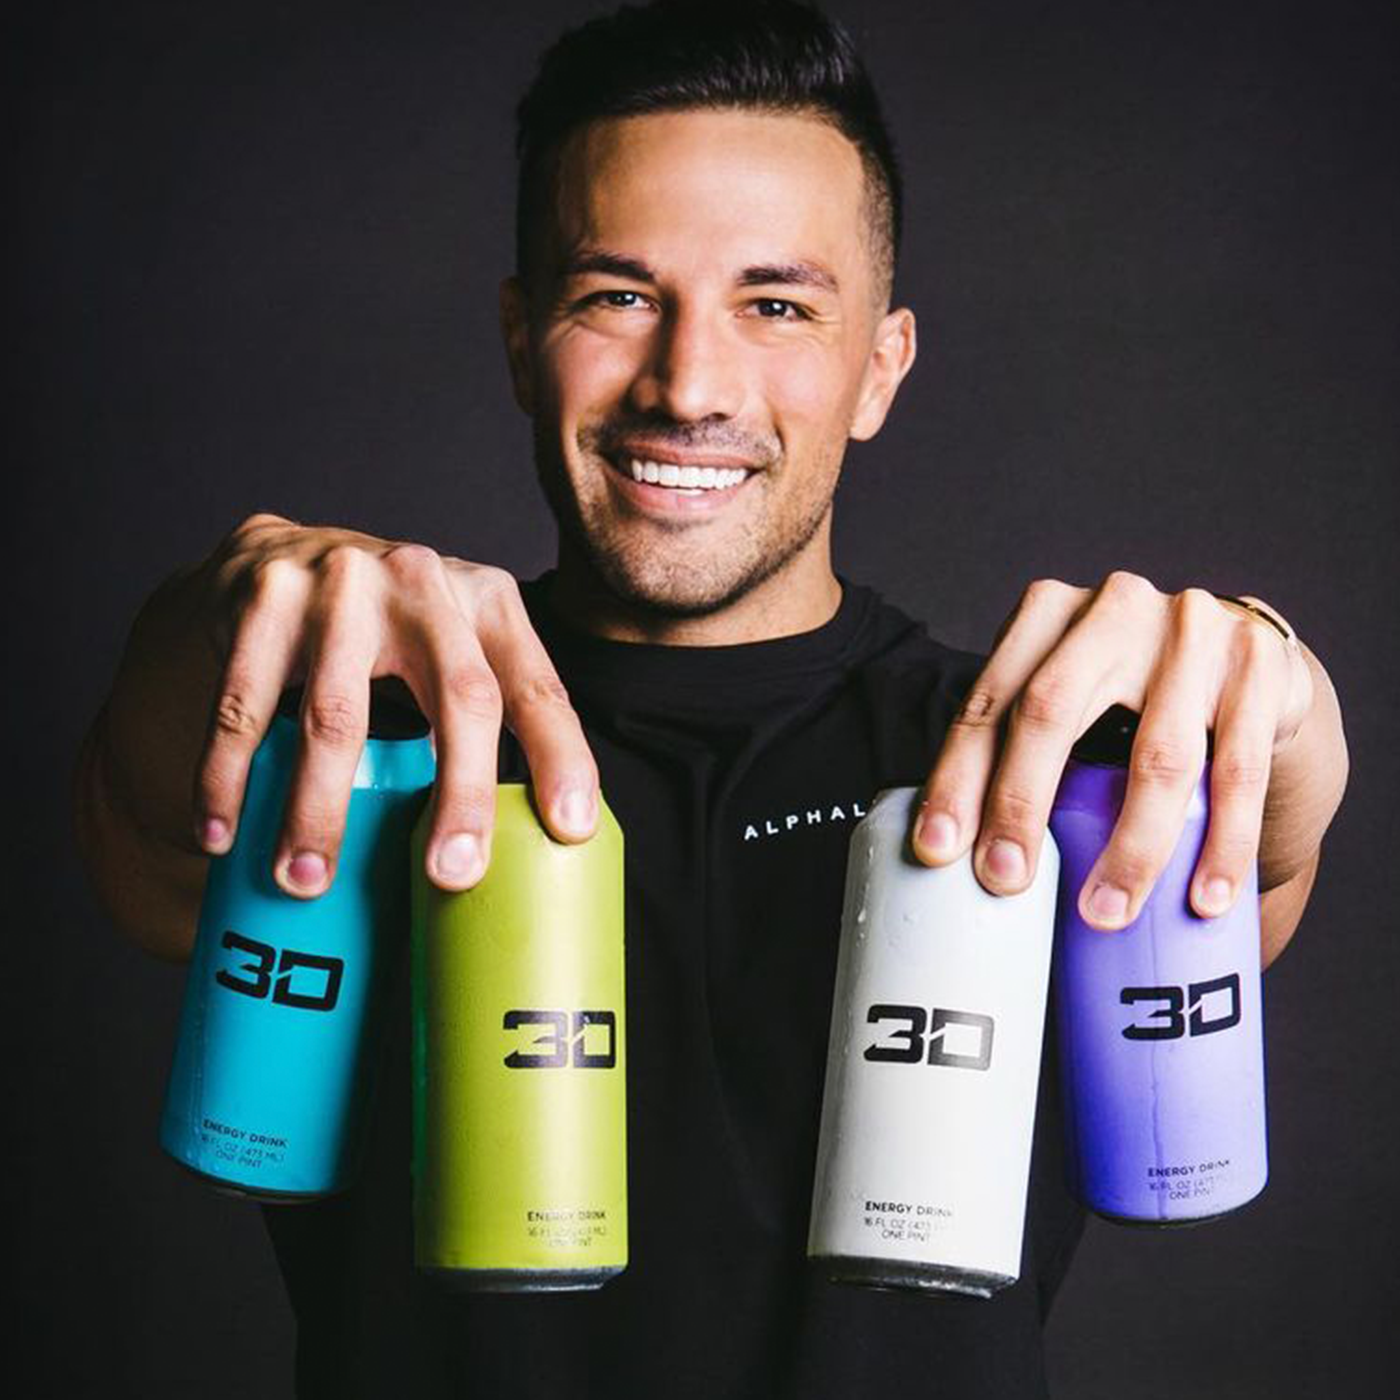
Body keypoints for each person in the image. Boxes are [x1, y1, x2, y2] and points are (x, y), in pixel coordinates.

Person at [73, 2, 1348, 1396]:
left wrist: (1270, 676)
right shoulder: (347, 731)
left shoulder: (1054, 774)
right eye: (617, 295)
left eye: (777, 305)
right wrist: (223, 599)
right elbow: (142, 816)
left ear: (881, 367)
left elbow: (1267, 845)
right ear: (520, 339)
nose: (687, 385)